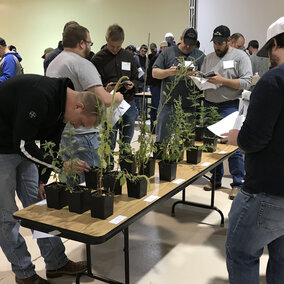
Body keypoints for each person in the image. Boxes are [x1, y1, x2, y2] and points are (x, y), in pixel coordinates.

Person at [0, 74, 104, 284]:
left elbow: (51, 143)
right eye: (81, 122)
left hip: (21, 147)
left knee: (38, 209)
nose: (76, 127)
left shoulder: (61, 102)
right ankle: (24, 273)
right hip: (2, 148)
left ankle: (56, 263)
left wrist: (42, 179)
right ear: (78, 106)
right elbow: (22, 144)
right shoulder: (39, 95)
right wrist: (60, 166)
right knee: (7, 215)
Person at [223, 16, 284, 284]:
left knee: (242, 254)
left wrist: (238, 137)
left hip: (266, 191)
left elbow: (255, 138)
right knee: (282, 258)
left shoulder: (273, 82)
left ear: (275, 44)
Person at [46, 24, 123, 184]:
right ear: (82, 43)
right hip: (84, 134)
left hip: (64, 132)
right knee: (90, 184)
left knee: (71, 184)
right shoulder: (82, 64)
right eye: (89, 43)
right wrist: (118, 96)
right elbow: (104, 99)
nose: (89, 46)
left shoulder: (55, 62)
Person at [200, 25, 252, 199]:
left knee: (232, 146)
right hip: (209, 104)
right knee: (211, 144)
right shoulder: (208, 58)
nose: (217, 46)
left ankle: (237, 182)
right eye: (214, 43)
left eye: (220, 43)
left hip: (229, 106)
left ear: (229, 41)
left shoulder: (240, 56)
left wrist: (222, 80)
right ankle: (215, 178)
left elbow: (247, 81)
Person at [92, 24, 138, 164]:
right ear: (106, 40)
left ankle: (125, 168)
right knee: (109, 141)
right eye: (112, 46)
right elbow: (93, 83)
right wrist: (104, 89)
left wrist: (132, 84)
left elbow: (136, 77)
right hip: (109, 105)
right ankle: (108, 170)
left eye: (118, 46)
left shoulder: (128, 57)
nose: (115, 49)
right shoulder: (97, 59)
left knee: (127, 140)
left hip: (128, 103)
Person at [152, 27, 204, 142]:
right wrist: (168, 72)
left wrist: (197, 76)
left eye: (192, 45)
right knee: (162, 141)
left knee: (186, 142)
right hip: (168, 104)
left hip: (189, 106)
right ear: (181, 39)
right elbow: (154, 73)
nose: (188, 47)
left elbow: (206, 79)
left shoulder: (200, 55)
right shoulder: (167, 52)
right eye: (186, 43)